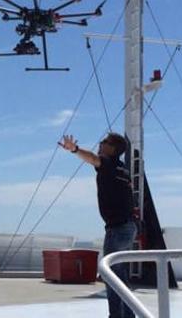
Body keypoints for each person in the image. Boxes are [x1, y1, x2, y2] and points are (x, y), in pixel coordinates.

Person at [60, 132, 137, 318]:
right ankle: (128, 315)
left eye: (104, 141)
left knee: (110, 276)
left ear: (113, 149)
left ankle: (117, 316)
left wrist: (75, 149)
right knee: (119, 275)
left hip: (117, 229)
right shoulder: (123, 170)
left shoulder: (109, 164)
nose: (100, 143)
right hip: (129, 228)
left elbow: (94, 159)